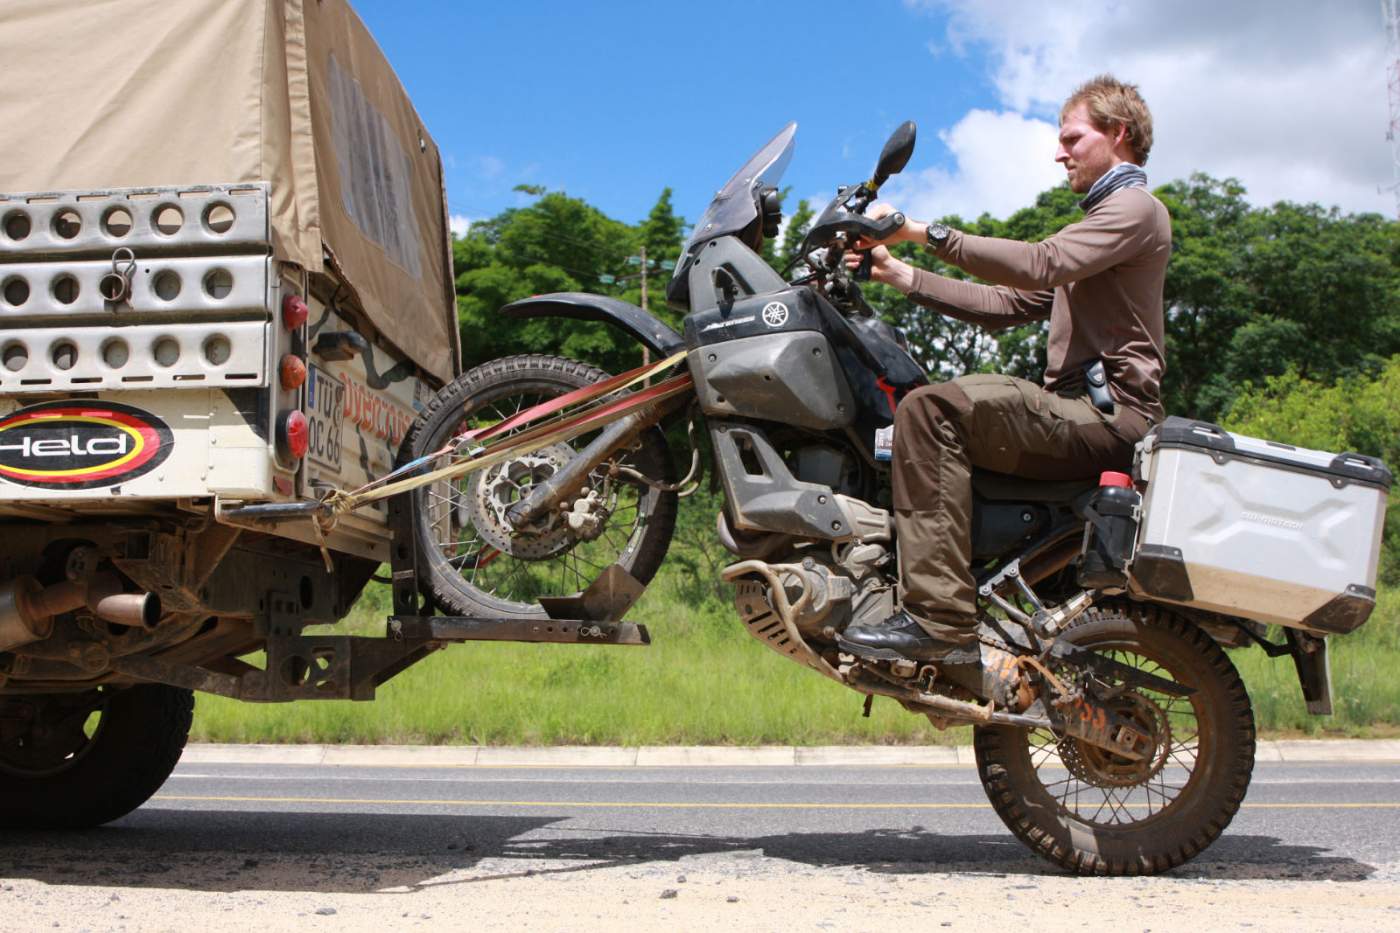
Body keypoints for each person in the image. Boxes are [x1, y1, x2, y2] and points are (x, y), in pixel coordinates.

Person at [837, 74, 1171, 665]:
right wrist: (899, 274)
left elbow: (1043, 264)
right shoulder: (1099, 225)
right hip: (1078, 411)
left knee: (932, 408)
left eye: (1073, 137)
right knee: (911, 406)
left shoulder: (1135, 210)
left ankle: (938, 620)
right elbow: (1009, 305)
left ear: (1118, 134)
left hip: (1106, 414)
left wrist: (921, 232)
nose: (1059, 151)